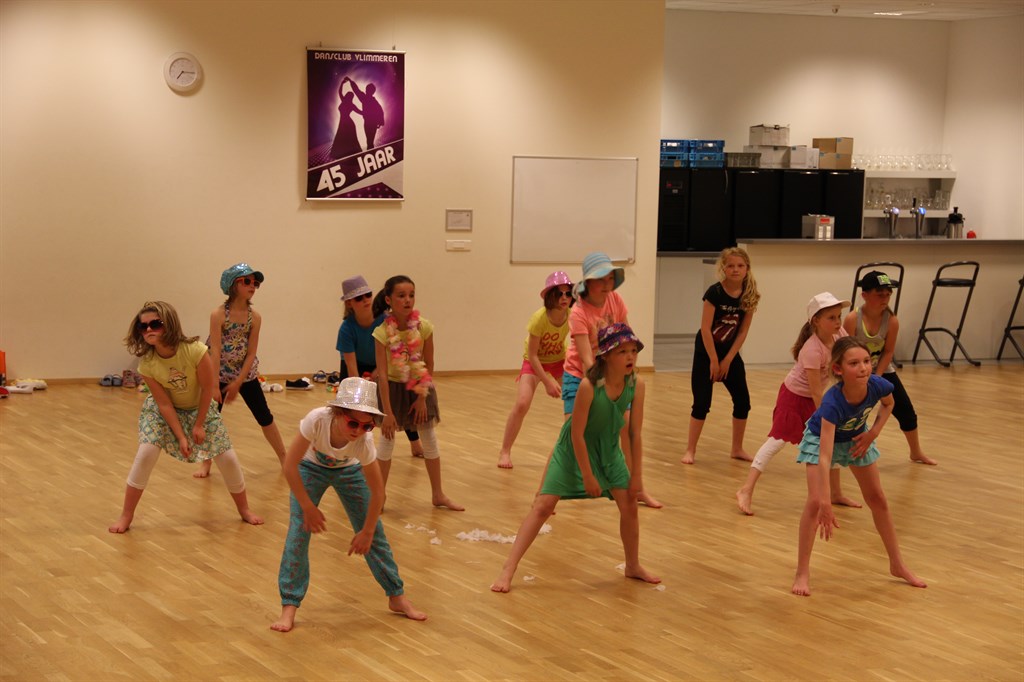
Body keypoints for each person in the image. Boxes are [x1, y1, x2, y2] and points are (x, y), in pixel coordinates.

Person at [491, 324, 661, 593]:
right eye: (622, 352)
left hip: (608, 451)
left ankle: (633, 565)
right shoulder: (589, 386)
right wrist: (588, 475)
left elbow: (634, 434)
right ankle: (508, 569)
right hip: (572, 450)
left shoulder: (636, 384)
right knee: (543, 506)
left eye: (633, 351)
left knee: (629, 504)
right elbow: (577, 434)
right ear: (606, 356)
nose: (630, 357)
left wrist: (637, 475)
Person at [271, 378, 427, 632]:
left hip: (349, 470)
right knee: (298, 533)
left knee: (375, 534)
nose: (358, 430)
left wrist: (367, 531)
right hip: (310, 468)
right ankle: (289, 605)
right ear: (337, 413)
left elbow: (378, 492)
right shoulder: (317, 420)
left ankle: (396, 596)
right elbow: (289, 466)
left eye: (367, 426)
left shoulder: (363, 442)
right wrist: (308, 507)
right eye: (352, 423)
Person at [108, 301, 263, 533]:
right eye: (143, 326)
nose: (148, 329)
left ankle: (245, 510)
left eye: (155, 324)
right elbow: (163, 403)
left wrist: (199, 425)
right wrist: (181, 436)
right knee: (146, 453)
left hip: (200, 408)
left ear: (169, 324)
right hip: (162, 411)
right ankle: (126, 516)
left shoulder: (195, 351)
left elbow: (208, 389)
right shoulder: (147, 363)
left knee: (228, 459)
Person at [791, 337, 927, 596]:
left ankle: (897, 564)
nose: (863, 368)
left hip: (856, 437)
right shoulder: (832, 402)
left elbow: (889, 404)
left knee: (878, 498)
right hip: (822, 440)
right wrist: (826, 502)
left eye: (866, 361)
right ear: (838, 369)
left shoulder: (878, 385)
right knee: (814, 502)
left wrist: (873, 433)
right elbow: (825, 456)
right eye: (854, 363)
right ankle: (802, 572)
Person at [736, 292, 860, 515]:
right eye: (831, 317)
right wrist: (828, 416)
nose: (837, 322)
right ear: (816, 321)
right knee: (777, 442)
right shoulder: (811, 350)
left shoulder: (839, 335)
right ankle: (746, 489)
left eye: (838, 316)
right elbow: (815, 391)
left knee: (829, 443)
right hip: (793, 398)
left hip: (814, 398)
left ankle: (836, 493)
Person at [560, 252, 662, 508]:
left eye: (610, 278)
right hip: (581, 377)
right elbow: (587, 360)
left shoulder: (615, 300)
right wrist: (602, 389)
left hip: (613, 374)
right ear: (588, 282)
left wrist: (626, 369)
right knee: (571, 434)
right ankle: (545, 494)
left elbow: (627, 336)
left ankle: (637, 488)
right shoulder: (578, 312)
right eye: (600, 278)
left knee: (626, 427)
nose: (607, 284)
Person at [371, 275, 463, 510]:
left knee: (429, 439)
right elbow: (382, 375)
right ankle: (379, 497)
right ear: (389, 300)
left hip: (420, 386)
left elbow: (429, 363)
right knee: (386, 442)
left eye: (411, 295)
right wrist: (387, 412)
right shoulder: (381, 333)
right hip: (392, 389)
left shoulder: (424, 327)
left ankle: (438, 494)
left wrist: (422, 397)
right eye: (401, 296)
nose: (407, 300)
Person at [195, 263, 286, 478]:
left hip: (245, 374)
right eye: (247, 281)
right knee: (210, 418)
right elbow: (215, 350)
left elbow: (251, 353)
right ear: (233, 285)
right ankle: (206, 462)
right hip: (217, 373)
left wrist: (238, 381)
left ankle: (284, 457)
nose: (252, 286)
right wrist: (214, 384)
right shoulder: (218, 314)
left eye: (256, 283)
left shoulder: (255, 317)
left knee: (264, 416)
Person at [844, 271, 937, 465]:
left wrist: (876, 377)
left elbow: (888, 352)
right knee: (848, 414)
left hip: (881, 370)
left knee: (906, 411)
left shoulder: (891, 320)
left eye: (888, 294)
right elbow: (845, 352)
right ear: (864, 295)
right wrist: (859, 377)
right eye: (880, 294)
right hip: (854, 373)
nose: (885, 298)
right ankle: (840, 451)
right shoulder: (853, 319)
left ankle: (916, 452)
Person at [682, 247, 760, 465]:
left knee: (743, 401)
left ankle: (737, 448)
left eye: (740, 266)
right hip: (706, 353)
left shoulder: (749, 295)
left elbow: (742, 331)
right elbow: (706, 329)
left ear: (747, 268)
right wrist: (714, 361)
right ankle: (690, 450)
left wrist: (727, 360)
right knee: (701, 403)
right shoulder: (714, 293)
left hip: (729, 354)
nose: (735, 270)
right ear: (723, 268)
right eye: (731, 266)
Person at [337, 275, 423, 458]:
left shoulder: (386, 320)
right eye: (358, 298)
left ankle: (415, 442)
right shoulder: (346, 329)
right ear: (349, 303)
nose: (365, 300)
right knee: (352, 406)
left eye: (368, 295)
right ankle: (348, 446)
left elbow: (394, 353)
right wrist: (361, 386)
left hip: (384, 362)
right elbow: (351, 366)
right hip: (356, 366)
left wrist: (376, 374)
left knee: (400, 395)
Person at [497, 271, 574, 469]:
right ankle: (505, 451)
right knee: (522, 403)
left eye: (568, 293)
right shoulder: (539, 318)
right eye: (559, 293)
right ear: (550, 296)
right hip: (534, 362)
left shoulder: (571, 315)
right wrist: (547, 381)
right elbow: (532, 355)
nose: (564, 298)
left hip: (559, 361)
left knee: (577, 401)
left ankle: (576, 452)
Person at [347, 78, 385, 149]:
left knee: (369, 141)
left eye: (367, 89)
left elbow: (356, 90)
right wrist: (380, 122)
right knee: (370, 141)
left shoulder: (365, 98)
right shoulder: (373, 101)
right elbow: (380, 111)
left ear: (369, 91)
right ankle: (371, 151)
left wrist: (350, 81)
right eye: (367, 89)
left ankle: (371, 151)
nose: (366, 90)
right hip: (372, 123)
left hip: (369, 123)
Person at [330, 82, 362, 159]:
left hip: (347, 123)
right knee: (344, 137)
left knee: (346, 137)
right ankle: (347, 153)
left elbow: (360, 112)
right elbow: (340, 92)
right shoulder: (348, 103)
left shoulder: (346, 102)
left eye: (348, 95)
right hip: (345, 122)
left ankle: (349, 153)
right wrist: (342, 83)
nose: (348, 96)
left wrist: (342, 83)